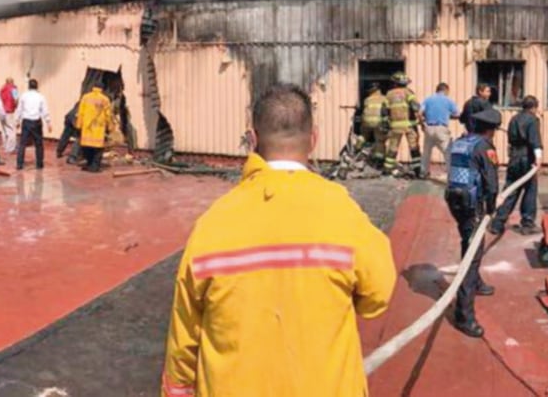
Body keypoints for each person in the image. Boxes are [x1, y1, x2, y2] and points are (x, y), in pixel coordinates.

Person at [162, 84, 395, 396]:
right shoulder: (343, 213)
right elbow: (377, 296)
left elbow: (185, 334)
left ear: (253, 139)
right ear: (314, 139)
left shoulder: (212, 225)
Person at [445, 108, 501, 338]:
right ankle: (464, 316)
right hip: (471, 204)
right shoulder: (484, 146)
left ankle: (476, 283)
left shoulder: (460, 142)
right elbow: (491, 181)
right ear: (490, 129)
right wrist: (491, 208)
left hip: (454, 199)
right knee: (472, 255)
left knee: (468, 240)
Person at [490, 95, 543, 235]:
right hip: (527, 157)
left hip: (514, 157)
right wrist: (538, 157)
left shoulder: (514, 119)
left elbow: (511, 140)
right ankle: (527, 222)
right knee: (530, 189)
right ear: (534, 107)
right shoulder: (533, 120)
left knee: (510, 189)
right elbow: (534, 140)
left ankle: (498, 222)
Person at [383, 72, 423, 178]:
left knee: (392, 148)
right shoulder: (408, 93)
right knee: (414, 148)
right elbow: (415, 107)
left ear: (395, 83)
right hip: (409, 126)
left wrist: (386, 123)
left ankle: (387, 170)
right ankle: (417, 170)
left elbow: (384, 111)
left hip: (395, 127)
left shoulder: (389, 94)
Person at [421, 82, 460, 178]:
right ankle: (452, 175)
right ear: (446, 90)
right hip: (441, 128)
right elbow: (457, 114)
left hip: (429, 128)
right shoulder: (448, 101)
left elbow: (419, 112)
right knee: (448, 152)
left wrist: (422, 123)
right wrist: (447, 115)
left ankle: (424, 173)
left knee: (426, 152)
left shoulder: (428, 99)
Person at [75, 86, 115, 173]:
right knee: (98, 148)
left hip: (87, 127)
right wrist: (110, 126)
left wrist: (79, 125)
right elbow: (108, 115)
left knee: (87, 147)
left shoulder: (86, 97)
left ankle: (89, 164)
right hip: (99, 127)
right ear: (102, 89)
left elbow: (81, 112)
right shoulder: (105, 99)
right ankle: (95, 166)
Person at [15, 79, 51, 170]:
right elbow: (44, 110)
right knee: (38, 143)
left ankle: (19, 164)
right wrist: (48, 122)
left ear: (29, 86)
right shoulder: (40, 97)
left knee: (22, 143)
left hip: (26, 121)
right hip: (36, 121)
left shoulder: (24, 96)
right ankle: (39, 163)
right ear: (37, 86)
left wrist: (17, 121)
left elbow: (19, 109)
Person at [360, 82, 388, 168]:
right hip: (378, 123)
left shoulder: (367, 99)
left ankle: (357, 149)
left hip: (367, 123)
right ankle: (378, 161)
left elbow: (363, 111)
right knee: (379, 141)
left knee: (363, 137)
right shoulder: (385, 99)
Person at [0, 77, 19, 154]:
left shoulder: (2, 89)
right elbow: (16, 99)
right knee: (11, 130)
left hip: (1, 112)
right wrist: (16, 106)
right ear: (11, 82)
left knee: (4, 130)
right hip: (9, 111)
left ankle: (5, 145)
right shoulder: (14, 89)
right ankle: (10, 148)